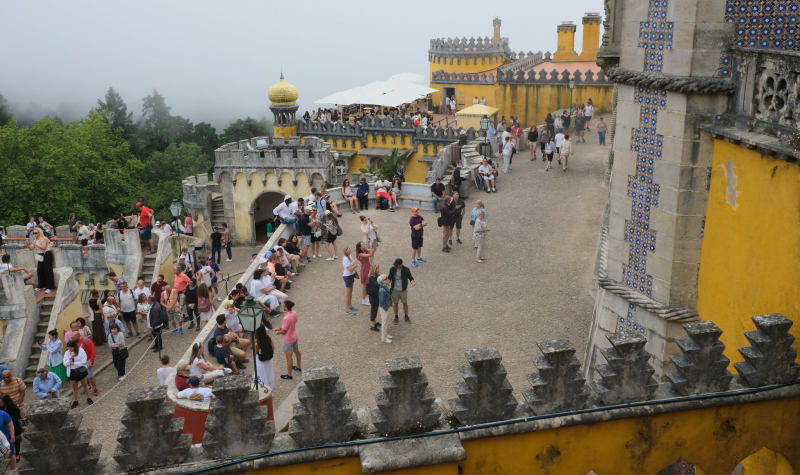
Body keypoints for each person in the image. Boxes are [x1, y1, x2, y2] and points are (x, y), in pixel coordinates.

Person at [274, 300, 301, 380]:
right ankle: (298, 366)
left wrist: (278, 332)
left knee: (288, 357)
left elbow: (284, 330)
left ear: (286, 307)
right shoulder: (294, 313)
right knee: (297, 352)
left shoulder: (286, 318)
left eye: (283, 305)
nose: (282, 306)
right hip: (294, 336)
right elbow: (289, 325)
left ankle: (289, 375)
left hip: (288, 339)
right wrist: (280, 328)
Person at [64, 340, 93, 408]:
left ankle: (88, 398)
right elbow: (65, 363)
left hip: (80, 370)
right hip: (71, 371)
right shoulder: (67, 353)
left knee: (85, 385)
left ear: (74, 347)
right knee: (74, 387)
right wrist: (70, 357)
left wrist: (74, 363)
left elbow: (83, 362)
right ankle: (75, 401)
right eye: (68, 348)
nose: (69, 349)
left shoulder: (81, 351)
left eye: (71, 348)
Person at [26, 227, 54, 293]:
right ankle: (41, 285)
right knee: (40, 271)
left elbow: (44, 247)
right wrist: (28, 245)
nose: (34, 234)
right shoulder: (36, 240)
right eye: (34, 233)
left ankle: (50, 287)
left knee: (48, 271)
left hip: (47, 254)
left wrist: (34, 244)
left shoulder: (44, 238)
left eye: (36, 233)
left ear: (39, 232)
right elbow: (31, 249)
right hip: (40, 255)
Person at [387, 258, 415, 324]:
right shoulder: (392, 269)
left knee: (405, 303)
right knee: (395, 304)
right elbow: (389, 277)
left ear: (400, 265)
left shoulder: (406, 270)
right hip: (394, 290)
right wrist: (388, 282)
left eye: (396, 265)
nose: (395, 266)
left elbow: (410, 277)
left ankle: (406, 316)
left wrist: (412, 282)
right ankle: (396, 317)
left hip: (403, 290)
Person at [0, 396, 21, 463]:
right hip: (5, 430)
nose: (0, 403)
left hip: (14, 428)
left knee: (15, 441)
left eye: (1, 402)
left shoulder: (13, 408)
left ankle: (17, 454)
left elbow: (17, 420)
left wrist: (15, 434)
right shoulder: (2, 407)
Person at [254, 324, 274, 389]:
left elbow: (254, 353)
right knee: (269, 374)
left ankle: (262, 388)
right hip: (269, 360)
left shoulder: (257, 341)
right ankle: (270, 387)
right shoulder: (268, 338)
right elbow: (273, 347)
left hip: (260, 361)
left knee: (261, 375)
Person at [342, 246, 358, 315]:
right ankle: (347, 309)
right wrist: (354, 266)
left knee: (351, 291)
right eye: (349, 249)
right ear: (346, 251)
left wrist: (353, 266)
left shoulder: (349, 256)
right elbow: (351, 268)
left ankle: (350, 305)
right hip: (347, 276)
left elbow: (354, 263)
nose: (350, 249)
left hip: (351, 275)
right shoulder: (345, 259)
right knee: (348, 293)